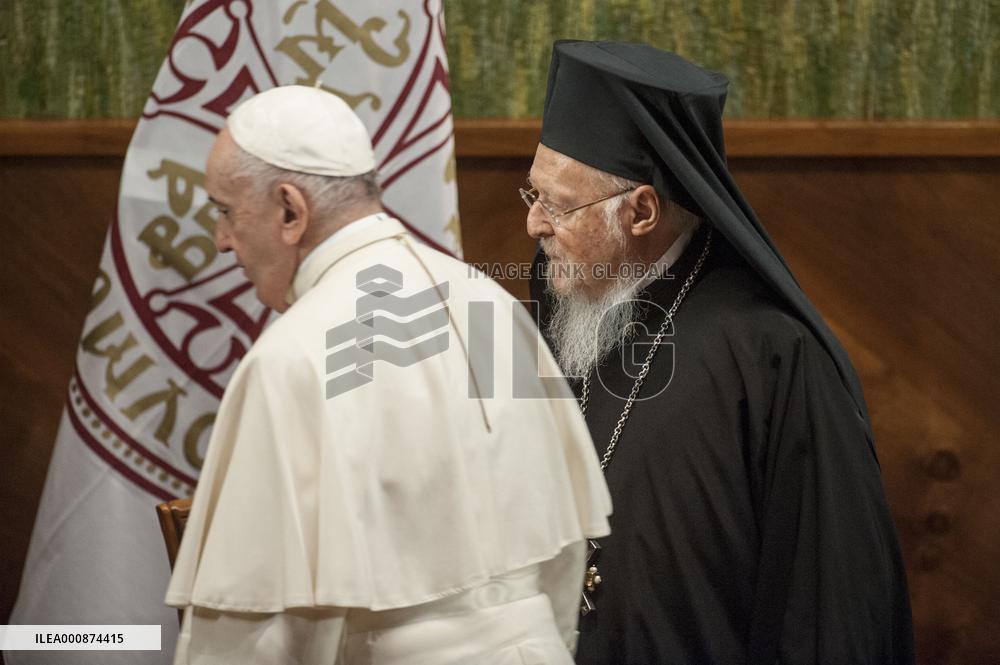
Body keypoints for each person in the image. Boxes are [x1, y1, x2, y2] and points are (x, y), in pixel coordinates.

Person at [165, 85, 612, 664]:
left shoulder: (290, 359)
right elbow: (562, 550)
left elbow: (258, 632)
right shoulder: (490, 306)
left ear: (290, 210)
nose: (223, 240)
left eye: (226, 212)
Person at [526, 41, 914, 664]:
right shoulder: (566, 306)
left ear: (642, 211)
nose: (534, 225)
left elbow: (827, 602)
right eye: (533, 195)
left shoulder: (773, 356)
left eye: (557, 205)